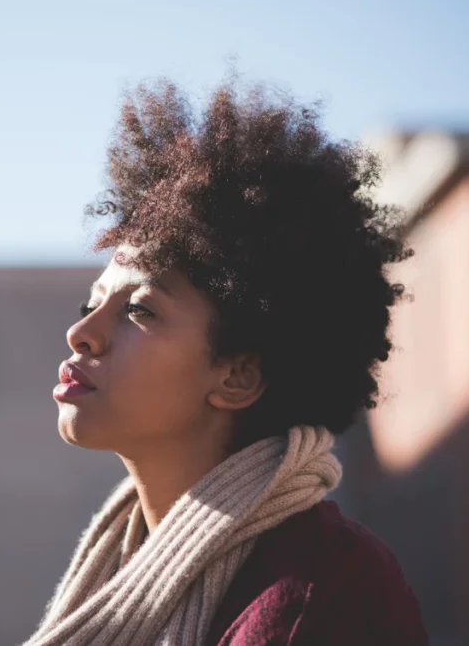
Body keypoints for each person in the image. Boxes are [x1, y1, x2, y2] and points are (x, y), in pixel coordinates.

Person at [22, 75, 428, 646]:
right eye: (91, 303)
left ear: (237, 376)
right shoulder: (119, 573)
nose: (82, 333)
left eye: (139, 311)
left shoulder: (317, 593)